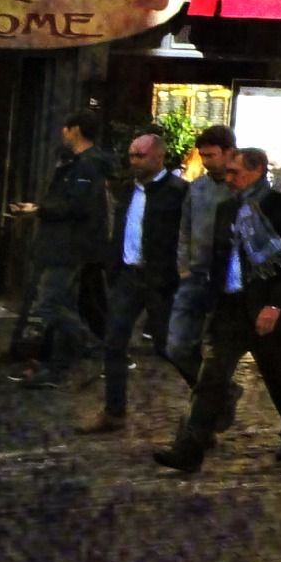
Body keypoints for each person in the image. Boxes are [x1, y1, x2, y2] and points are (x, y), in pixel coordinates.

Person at [155, 146, 281, 473]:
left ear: (256, 170)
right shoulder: (227, 209)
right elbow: (219, 259)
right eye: (227, 172)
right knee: (211, 380)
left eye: (235, 172)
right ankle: (189, 450)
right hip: (230, 308)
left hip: (268, 310)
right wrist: (209, 304)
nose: (228, 178)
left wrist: (274, 305)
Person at [85, 131, 188, 435]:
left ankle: (215, 392)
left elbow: (186, 235)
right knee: (114, 342)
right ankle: (114, 411)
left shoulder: (178, 191)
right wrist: (113, 265)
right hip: (129, 274)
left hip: (161, 279)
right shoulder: (128, 190)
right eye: (131, 155)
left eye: (140, 156)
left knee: (167, 346)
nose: (134, 161)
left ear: (158, 156)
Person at [20, 111, 114, 386]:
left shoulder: (87, 166)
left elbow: (77, 206)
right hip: (64, 244)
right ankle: (60, 367)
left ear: (76, 131)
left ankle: (90, 345)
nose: (62, 132)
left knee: (48, 304)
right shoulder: (77, 163)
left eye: (66, 128)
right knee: (62, 303)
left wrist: (39, 209)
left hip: (68, 246)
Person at [167, 127, 238, 371]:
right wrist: (183, 266)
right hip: (195, 275)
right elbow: (185, 228)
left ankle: (211, 398)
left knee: (219, 348)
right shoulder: (197, 188)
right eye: (203, 156)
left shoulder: (240, 188)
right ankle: (211, 392)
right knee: (176, 346)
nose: (206, 162)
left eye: (211, 155)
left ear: (229, 152)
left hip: (227, 279)